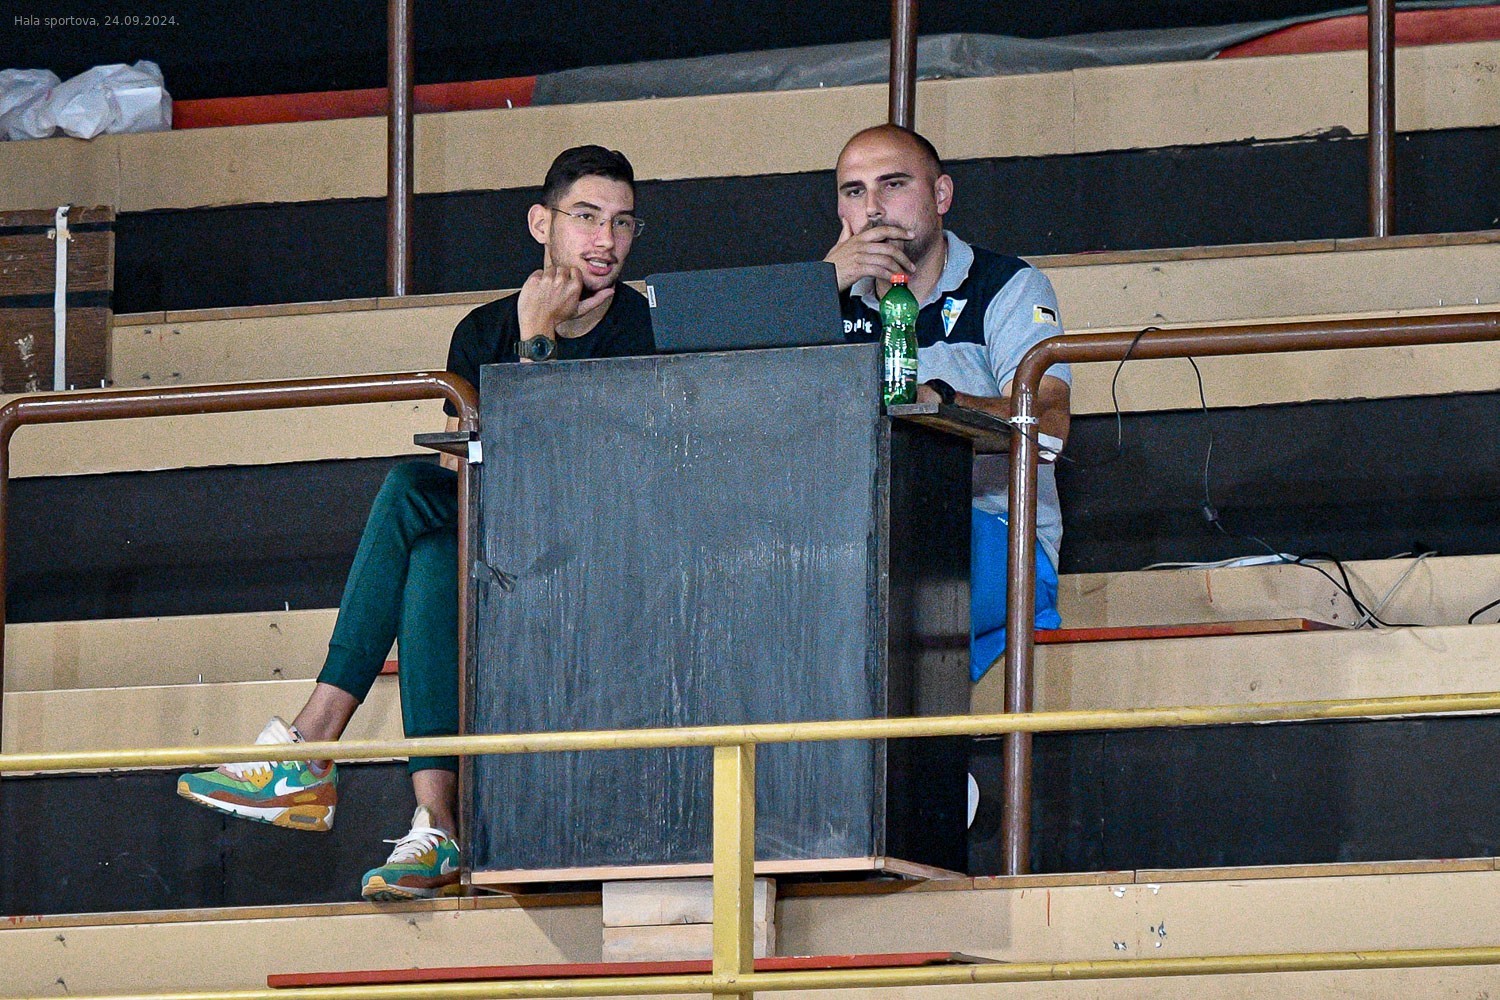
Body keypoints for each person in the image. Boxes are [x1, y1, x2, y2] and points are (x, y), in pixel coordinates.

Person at [177, 145, 654, 900]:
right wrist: (519, 337)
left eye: (622, 223)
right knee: (432, 557)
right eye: (587, 218)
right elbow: (467, 481)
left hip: (602, 550)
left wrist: (537, 343)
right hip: (502, 543)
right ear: (542, 224)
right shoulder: (480, 329)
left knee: (407, 489)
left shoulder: (642, 325)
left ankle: (312, 745)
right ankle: (436, 826)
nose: (606, 240)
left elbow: (568, 478)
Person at [823, 124, 1072, 681]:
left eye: (893, 185)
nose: (873, 208)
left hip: (994, 534)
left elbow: (1051, 420)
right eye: (854, 191)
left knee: (858, 595)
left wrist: (944, 403)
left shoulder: (1006, 285)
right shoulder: (824, 300)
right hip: (856, 540)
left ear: (941, 195)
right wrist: (820, 285)